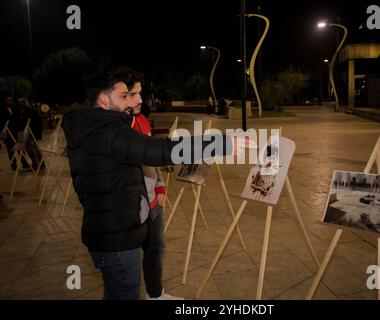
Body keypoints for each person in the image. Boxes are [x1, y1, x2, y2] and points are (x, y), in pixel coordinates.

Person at [62, 68, 250, 300]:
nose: (138, 100)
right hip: (116, 239)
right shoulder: (108, 132)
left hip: (109, 232)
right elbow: (162, 151)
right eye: (126, 95)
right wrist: (220, 143)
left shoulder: (93, 128)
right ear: (103, 98)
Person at [123, 68, 181, 300]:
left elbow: (153, 160)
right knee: (129, 260)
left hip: (153, 200)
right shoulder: (117, 128)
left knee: (156, 250)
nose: (140, 99)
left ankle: (155, 295)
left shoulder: (143, 121)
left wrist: (160, 188)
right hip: (131, 204)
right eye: (133, 94)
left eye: (140, 93)